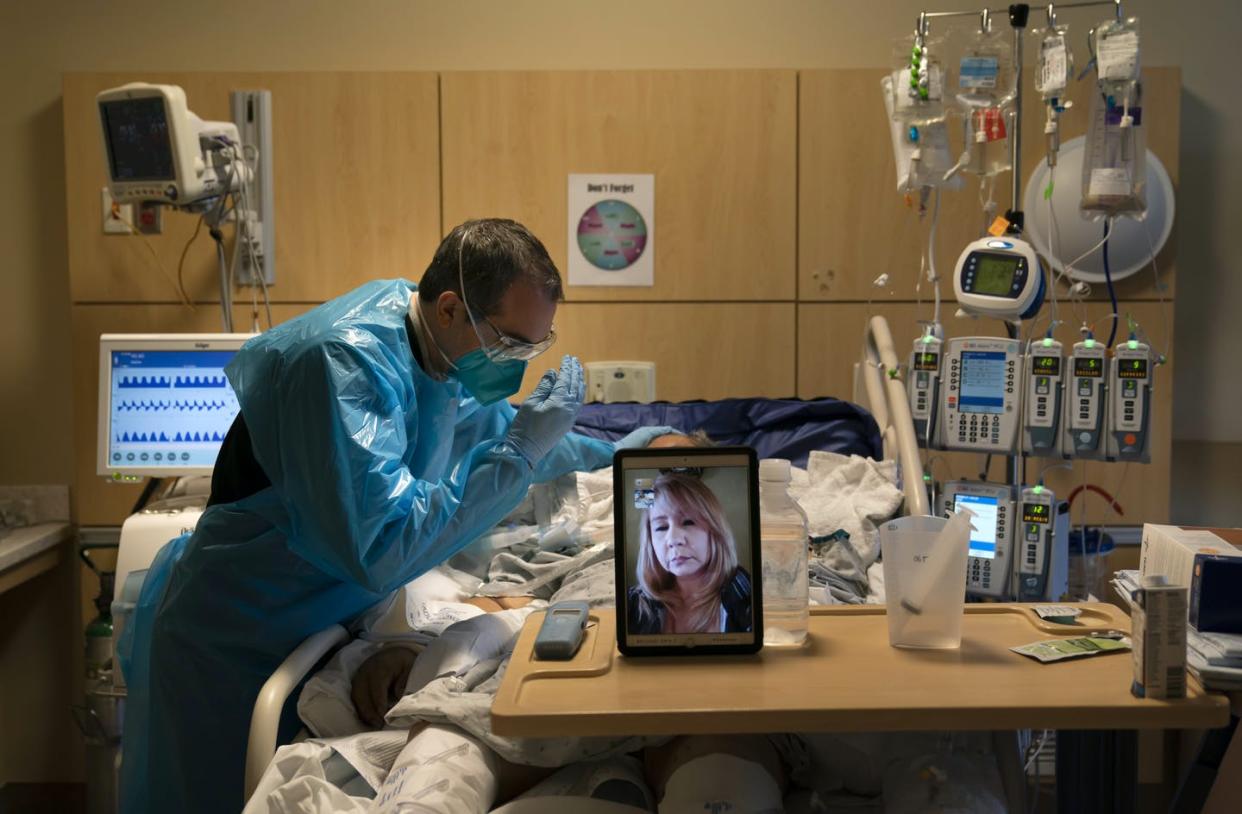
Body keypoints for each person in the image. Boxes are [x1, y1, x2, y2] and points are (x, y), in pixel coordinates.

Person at [117, 218, 670, 814]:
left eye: (536, 347)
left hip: (328, 623)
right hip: (236, 635)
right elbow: (383, 544)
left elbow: (498, 436)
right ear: (453, 307)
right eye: (513, 345)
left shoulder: (439, 350)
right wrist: (521, 453)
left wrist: (628, 453)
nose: (519, 363)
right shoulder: (341, 363)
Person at [627, 472, 752, 635]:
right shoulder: (634, 603)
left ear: (714, 531)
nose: (673, 539)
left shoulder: (745, 595)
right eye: (661, 527)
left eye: (688, 522)